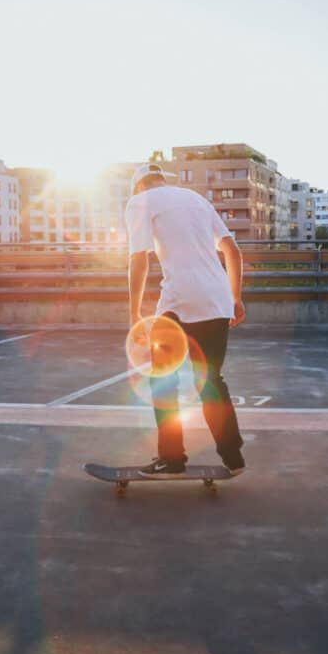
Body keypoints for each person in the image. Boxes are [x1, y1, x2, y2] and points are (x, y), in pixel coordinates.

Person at [125, 161, 247, 479]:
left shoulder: (139, 202)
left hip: (179, 300)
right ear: (163, 180)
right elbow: (232, 251)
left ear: (139, 185)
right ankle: (233, 457)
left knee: (163, 378)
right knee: (211, 381)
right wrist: (234, 298)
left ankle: (172, 459)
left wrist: (134, 312)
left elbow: (139, 259)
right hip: (218, 299)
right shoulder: (195, 199)